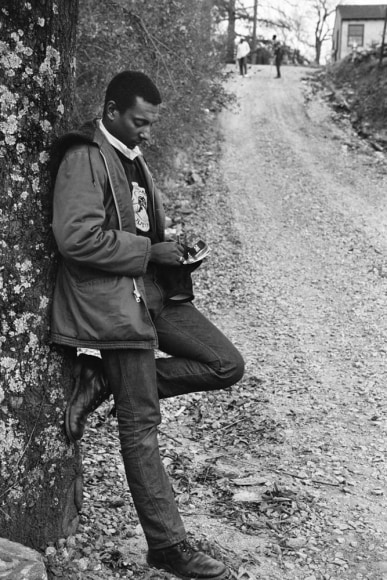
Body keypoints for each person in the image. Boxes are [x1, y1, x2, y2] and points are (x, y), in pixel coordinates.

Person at [50, 70, 244, 580]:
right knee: (141, 428)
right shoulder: (84, 157)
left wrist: (175, 251)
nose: (148, 132)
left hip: (154, 292)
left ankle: (107, 382)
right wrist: (147, 250)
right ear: (112, 111)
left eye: (152, 124)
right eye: (141, 122)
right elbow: (75, 239)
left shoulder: (132, 159)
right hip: (115, 306)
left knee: (225, 364)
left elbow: (137, 228)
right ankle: (167, 546)